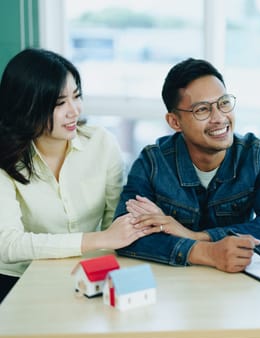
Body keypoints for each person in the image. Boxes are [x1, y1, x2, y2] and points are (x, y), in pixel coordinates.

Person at [114, 58, 260, 272]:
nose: (219, 118)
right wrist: (206, 252)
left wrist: (194, 236)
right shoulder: (153, 163)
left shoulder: (255, 155)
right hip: (174, 291)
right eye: (202, 110)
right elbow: (124, 236)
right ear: (174, 122)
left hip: (239, 288)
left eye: (224, 103)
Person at [0, 48, 149, 302]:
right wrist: (99, 239)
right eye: (59, 103)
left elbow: (116, 222)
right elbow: (8, 245)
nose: (74, 110)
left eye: (76, 96)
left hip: (89, 274)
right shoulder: (5, 157)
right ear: (26, 105)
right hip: (18, 280)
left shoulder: (101, 143)